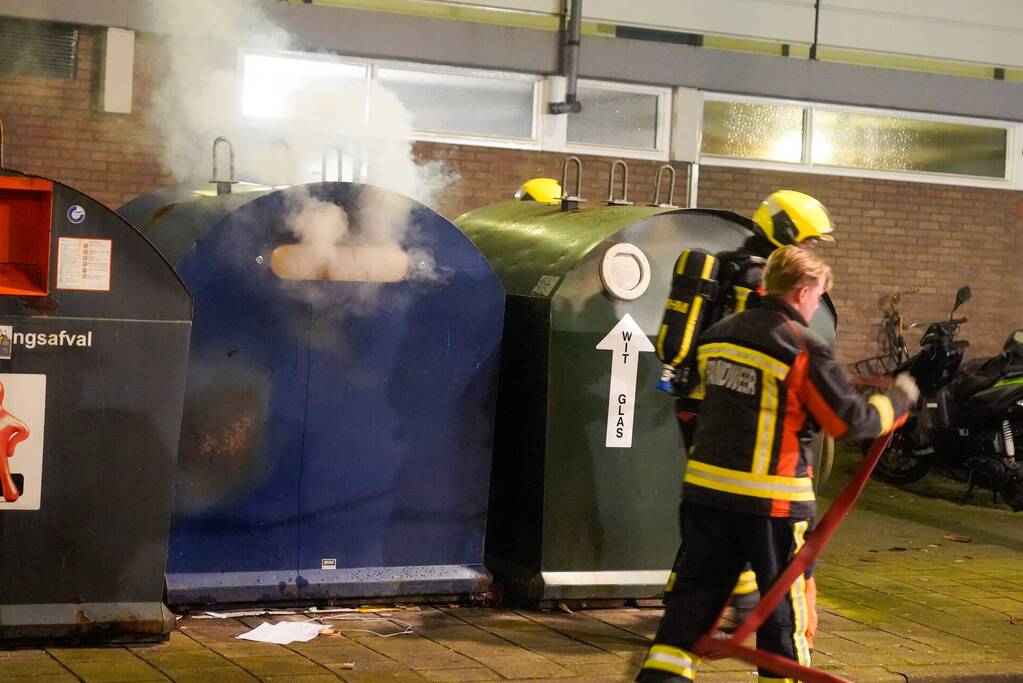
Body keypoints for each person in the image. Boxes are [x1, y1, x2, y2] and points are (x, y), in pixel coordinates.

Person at [637, 246, 919, 682]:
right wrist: (897, 401)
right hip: (772, 505)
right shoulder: (802, 347)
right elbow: (848, 423)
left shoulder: (718, 335)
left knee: (692, 605)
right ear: (803, 290)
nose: (814, 305)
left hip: (706, 495)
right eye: (817, 295)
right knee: (782, 617)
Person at [656, 190, 836, 629]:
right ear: (786, 230)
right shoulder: (759, 279)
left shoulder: (730, 263)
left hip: (697, 401)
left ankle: (689, 603)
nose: (808, 248)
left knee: (712, 513)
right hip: (725, 408)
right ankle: (741, 605)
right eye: (807, 240)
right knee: (734, 510)